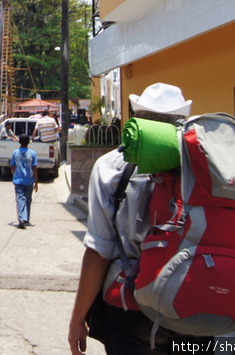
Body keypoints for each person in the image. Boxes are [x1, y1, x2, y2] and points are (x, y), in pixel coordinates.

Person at [68, 82, 193, 355]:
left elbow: (100, 250)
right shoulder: (205, 166)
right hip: (196, 304)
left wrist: (78, 319)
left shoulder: (113, 165)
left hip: (134, 307)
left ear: (136, 117)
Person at [10, 134, 38, 229]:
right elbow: (34, 168)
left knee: (20, 199)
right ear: (29, 142)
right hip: (29, 180)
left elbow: (12, 166)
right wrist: (36, 182)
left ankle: (22, 218)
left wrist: (15, 175)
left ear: (19, 142)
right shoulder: (33, 154)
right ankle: (26, 217)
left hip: (18, 180)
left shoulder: (15, 153)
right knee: (28, 199)